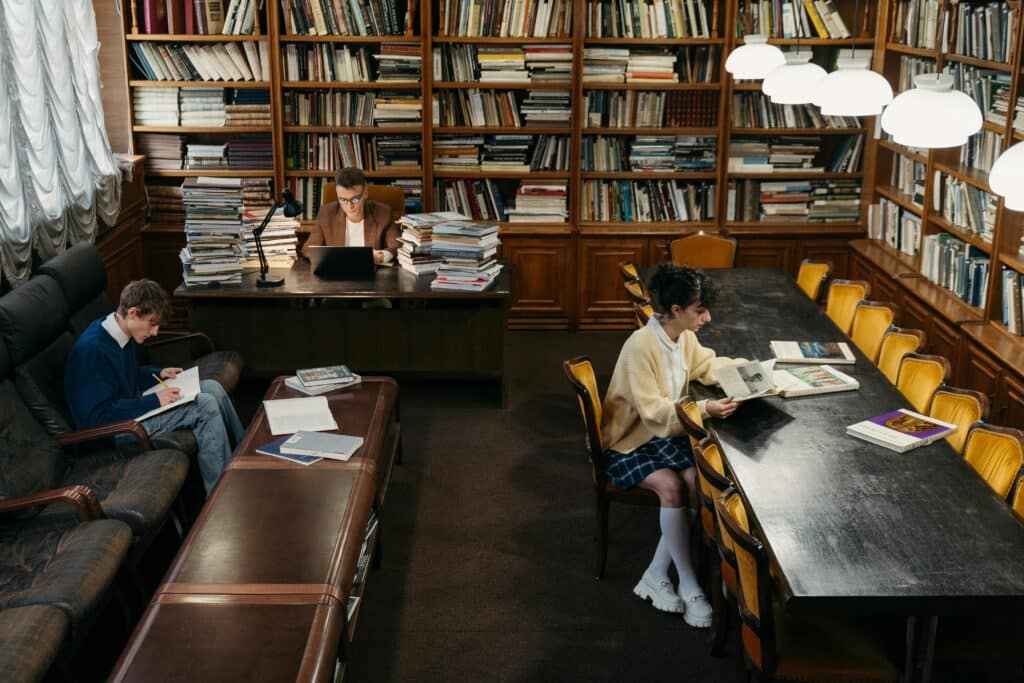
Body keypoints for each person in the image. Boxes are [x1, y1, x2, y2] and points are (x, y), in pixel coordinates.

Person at [600, 263, 741, 628]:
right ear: (676, 311)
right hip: (630, 442)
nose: (706, 318)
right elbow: (654, 414)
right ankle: (691, 584)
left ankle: (657, 571)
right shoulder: (640, 347)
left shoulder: (684, 338)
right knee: (673, 486)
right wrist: (705, 408)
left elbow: (708, 367)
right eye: (700, 310)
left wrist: (756, 372)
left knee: (699, 482)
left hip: (663, 435)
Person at [64, 279, 244, 494]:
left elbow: (125, 376)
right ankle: (220, 498)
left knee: (212, 387)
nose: (156, 331)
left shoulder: (118, 331)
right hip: (113, 433)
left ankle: (244, 460)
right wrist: (155, 400)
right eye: (152, 323)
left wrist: (158, 374)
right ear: (133, 313)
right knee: (204, 406)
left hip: (130, 410)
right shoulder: (92, 351)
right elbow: (96, 418)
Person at [301, 167, 400, 264]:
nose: (349, 206)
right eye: (343, 200)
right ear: (337, 194)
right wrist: (328, 258)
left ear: (365, 193)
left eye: (355, 199)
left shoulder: (383, 213)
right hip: (336, 276)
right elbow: (308, 249)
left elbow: (397, 246)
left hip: (371, 276)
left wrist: (379, 257)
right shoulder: (326, 213)